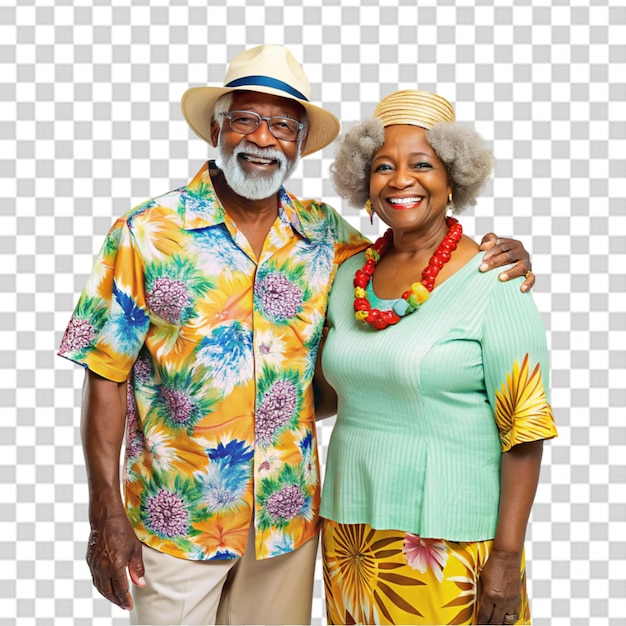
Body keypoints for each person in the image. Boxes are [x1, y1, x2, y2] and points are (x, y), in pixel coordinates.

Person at [58, 45, 534, 626]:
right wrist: (104, 510)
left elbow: (413, 256)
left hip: (289, 524)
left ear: (301, 144)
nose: (264, 138)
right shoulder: (145, 233)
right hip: (176, 517)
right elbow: (104, 370)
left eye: (283, 126)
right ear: (216, 129)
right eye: (246, 120)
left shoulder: (326, 237)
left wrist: (502, 255)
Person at [316, 89, 558, 625]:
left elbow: (526, 429)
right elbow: (332, 394)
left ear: (453, 180)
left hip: (448, 538)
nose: (400, 180)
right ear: (364, 181)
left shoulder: (495, 280)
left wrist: (508, 557)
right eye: (383, 166)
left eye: (421, 164)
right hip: (350, 534)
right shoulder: (345, 275)